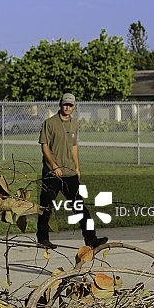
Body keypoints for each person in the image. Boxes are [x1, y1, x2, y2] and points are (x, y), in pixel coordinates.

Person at [36, 93, 108, 250]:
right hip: (52, 173)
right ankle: (42, 239)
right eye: (65, 104)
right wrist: (53, 165)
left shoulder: (74, 123)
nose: (67, 107)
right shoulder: (50, 123)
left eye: (70, 105)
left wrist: (77, 167)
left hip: (69, 173)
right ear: (60, 104)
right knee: (46, 207)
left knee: (80, 206)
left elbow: (74, 146)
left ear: (74, 106)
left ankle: (91, 239)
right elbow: (44, 145)